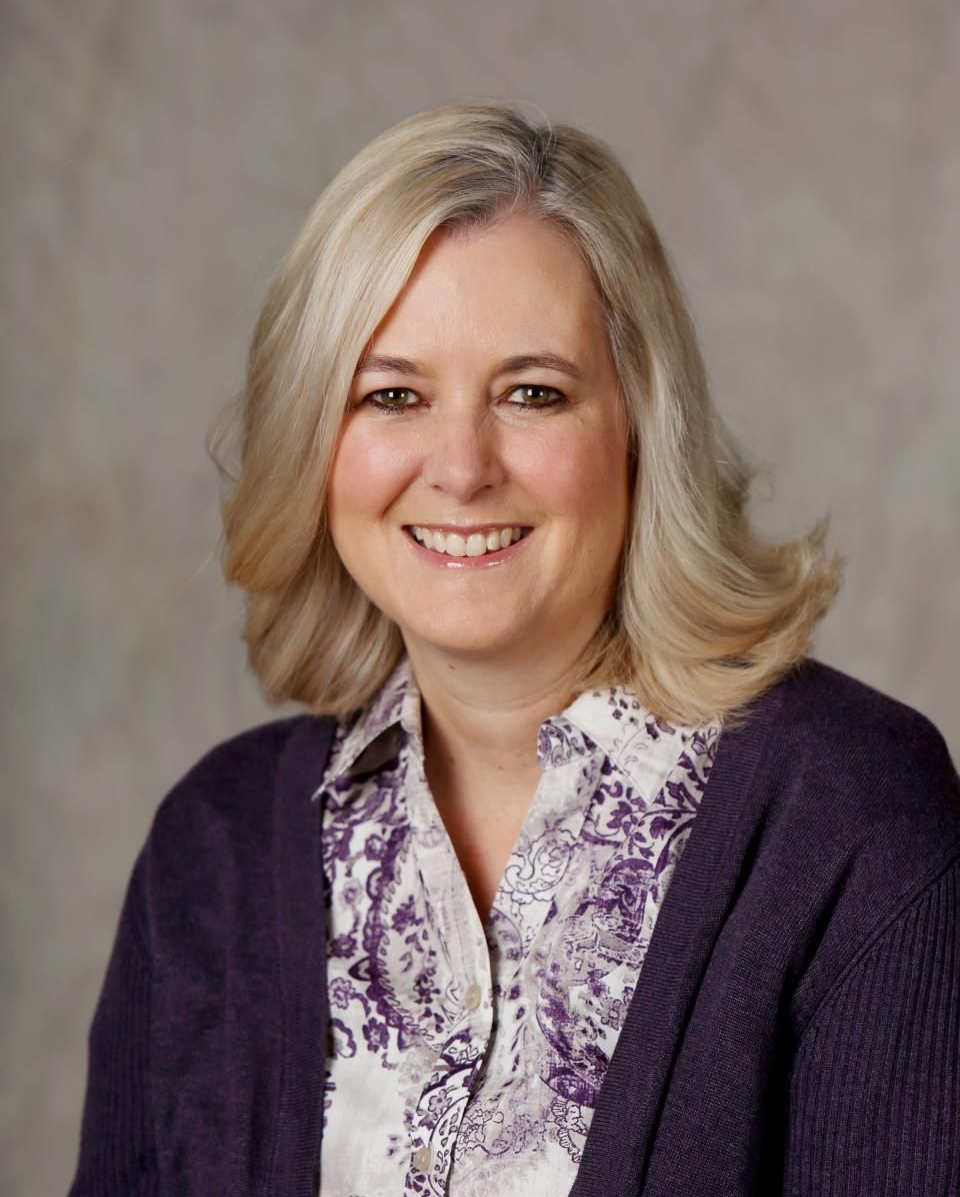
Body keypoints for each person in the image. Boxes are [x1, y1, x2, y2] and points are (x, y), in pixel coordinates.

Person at [68, 100, 960, 1197]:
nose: (460, 465)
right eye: (391, 395)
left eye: (532, 393)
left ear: (640, 425)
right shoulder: (208, 853)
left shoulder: (854, 819)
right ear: (315, 444)